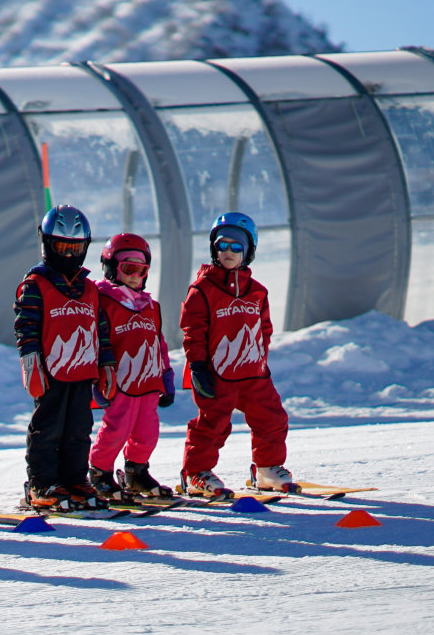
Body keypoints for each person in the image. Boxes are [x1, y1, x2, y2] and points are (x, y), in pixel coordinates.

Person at [179, 212, 293, 498]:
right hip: (216, 373)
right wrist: (197, 365)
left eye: (236, 247)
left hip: (253, 372)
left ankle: (267, 469)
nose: (228, 252)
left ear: (249, 250)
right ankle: (196, 474)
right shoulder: (202, 290)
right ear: (213, 248)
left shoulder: (258, 292)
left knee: (272, 418)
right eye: (222, 245)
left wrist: (260, 358)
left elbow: (264, 328)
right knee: (213, 424)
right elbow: (193, 330)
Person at [15, 205, 112, 512]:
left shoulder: (90, 288)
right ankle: (42, 484)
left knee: (79, 429)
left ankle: (74, 479)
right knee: (49, 428)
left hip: (82, 372)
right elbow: (25, 325)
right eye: (62, 247)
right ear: (47, 244)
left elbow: (102, 329)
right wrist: (30, 361)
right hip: (50, 373)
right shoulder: (35, 284)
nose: (69, 255)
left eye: (75, 248)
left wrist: (106, 363)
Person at [88, 232, 176, 501]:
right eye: (128, 268)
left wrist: (167, 376)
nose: (136, 275)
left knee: (147, 432)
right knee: (116, 430)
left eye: (142, 270)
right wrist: (97, 378)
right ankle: (99, 474)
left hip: (148, 383)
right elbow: (95, 341)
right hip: (120, 383)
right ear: (111, 267)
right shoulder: (102, 301)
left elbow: (158, 342)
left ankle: (135, 473)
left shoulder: (150, 306)